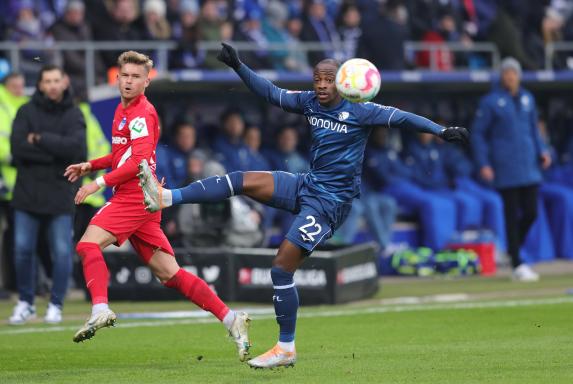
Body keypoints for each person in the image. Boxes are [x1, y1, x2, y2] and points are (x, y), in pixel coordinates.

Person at [138, 43, 468, 369]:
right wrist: (238, 66)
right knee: (243, 179)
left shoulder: (362, 109)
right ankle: (167, 197)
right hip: (306, 185)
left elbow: (404, 119)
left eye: (328, 80)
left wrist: (440, 130)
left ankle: (285, 347)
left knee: (281, 267)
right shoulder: (310, 102)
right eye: (317, 80)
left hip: (330, 203)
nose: (321, 86)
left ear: (341, 81)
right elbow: (270, 92)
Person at [63, 51, 250, 362]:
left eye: (136, 77)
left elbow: (136, 162)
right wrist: (91, 165)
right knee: (170, 274)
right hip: (145, 196)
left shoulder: (140, 114)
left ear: (146, 82)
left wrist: (98, 183)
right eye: (125, 75)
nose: (129, 81)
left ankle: (100, 308)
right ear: (118, 77)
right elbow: (123, 155)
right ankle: (232, 320)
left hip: (135, 195)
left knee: (86, 245)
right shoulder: (122, 110)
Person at [9, 65, 86, 325]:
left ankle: (56, 304)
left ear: (64, 82)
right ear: (40, 85)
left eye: (56, 80)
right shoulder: (25, 111)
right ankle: (26, 302)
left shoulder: (74, 114)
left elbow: (76, 151)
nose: (52, 85)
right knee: (22, 250)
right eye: (47, 81)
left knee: (62, 252)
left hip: (60, 194)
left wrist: (39, 139)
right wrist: (56, 151)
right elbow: (17, 150)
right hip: (27, 193)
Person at [471, 57, 551, 282]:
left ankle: (512, 249)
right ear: (502, 76)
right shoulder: (490, 102)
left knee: (531, 213)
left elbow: (534, 130)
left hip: (529, 165)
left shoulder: (528, 98)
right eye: (506, 73)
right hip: (506, 167)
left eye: (513, 73)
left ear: (518, 76)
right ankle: (517, 263)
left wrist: (543, 150)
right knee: (510, 214)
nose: (510, 77)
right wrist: (484, 163)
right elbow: (478, 135)